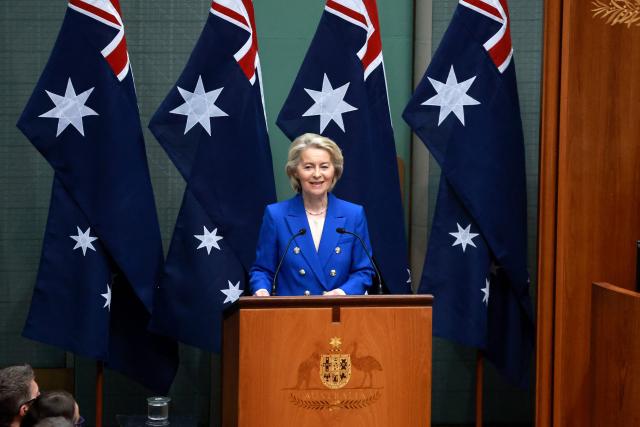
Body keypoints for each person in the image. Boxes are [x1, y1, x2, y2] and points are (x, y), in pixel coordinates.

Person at [250, 133, 375, 296]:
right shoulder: (276, 215)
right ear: (295, 172)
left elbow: (364, 271)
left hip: (338, 314)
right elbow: (262, 270)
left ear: (334, 171)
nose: (317, 174)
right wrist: (261, 291)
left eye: (324, 166)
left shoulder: (353, 214)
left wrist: (342, 293)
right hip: (291, 315)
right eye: (308, 167)